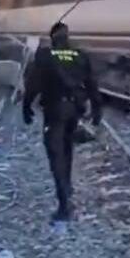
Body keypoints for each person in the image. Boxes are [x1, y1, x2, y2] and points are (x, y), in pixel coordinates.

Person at [22, 22, 103, 226]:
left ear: (52, 38)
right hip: (75, 110)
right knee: (67, 149)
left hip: (55, 111)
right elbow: (92, 84)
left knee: (55, 154)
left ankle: (64, 207)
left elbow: (33, 83)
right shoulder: (80, 55)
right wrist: (97, 111)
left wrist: (26, 106)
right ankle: (67, 187)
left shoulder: (45, 55)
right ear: (67, 37)